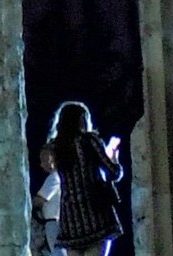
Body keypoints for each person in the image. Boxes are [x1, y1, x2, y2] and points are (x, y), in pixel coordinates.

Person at [34, 101, 126, 256]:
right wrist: (114, 158)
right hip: (95, 215)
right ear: (82, 119)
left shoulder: (55, 148)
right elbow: (114, 173)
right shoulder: (90, 141)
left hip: (70, 221)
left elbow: (47, 167)